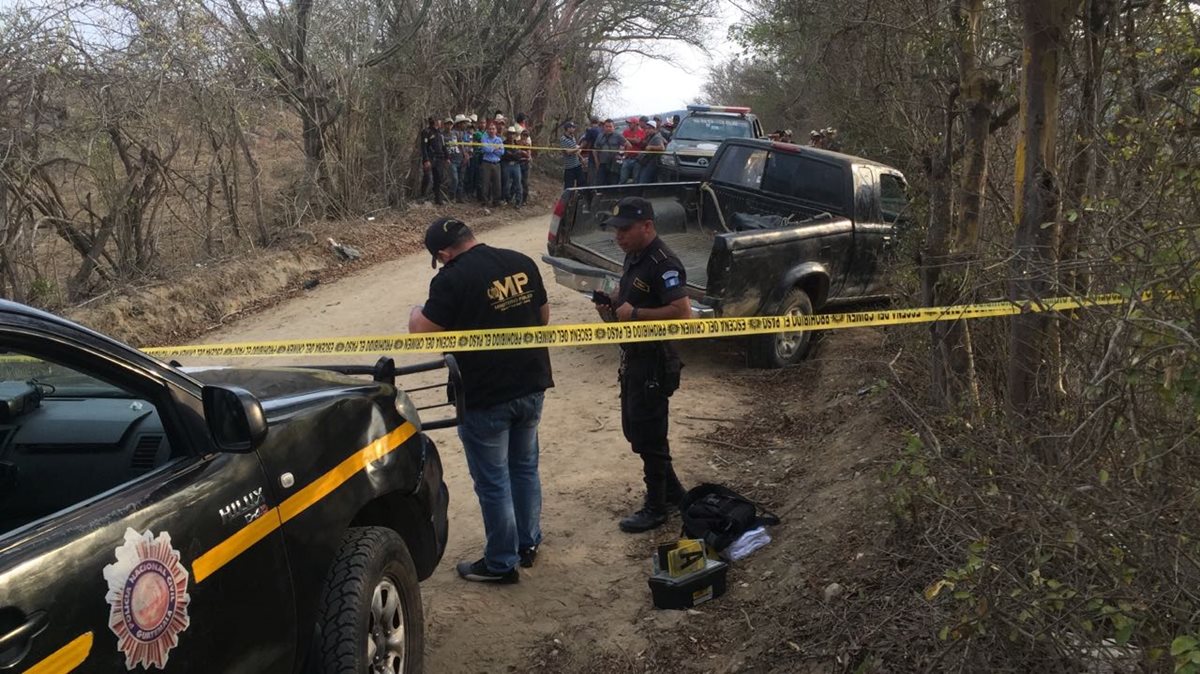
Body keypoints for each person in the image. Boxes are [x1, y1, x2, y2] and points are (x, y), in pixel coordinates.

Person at [410, 217, 553, 583]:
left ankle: (502, 563)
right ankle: (528, 543)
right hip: (531, 382)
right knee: (524, 468)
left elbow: (423, 332)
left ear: (443, 253)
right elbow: (543, 317)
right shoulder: (520, 261)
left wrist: (414, 314)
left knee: (493, 481)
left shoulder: (451, 278)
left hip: (484, 394)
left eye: (439, 258)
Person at [592, 197, 691, 533]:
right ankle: (674, 492)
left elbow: (682, 311)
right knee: (636, 431)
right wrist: (613, 303)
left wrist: (635, 314)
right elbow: (630, 297)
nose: (618, 236)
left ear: (647, 226)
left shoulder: (663, 262)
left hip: (654, 359)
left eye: (625, 229)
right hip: (634, 356)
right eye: (615, 230)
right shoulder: (635, 256)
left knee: (650, 433)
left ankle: (657, 505)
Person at [419, 116, 447, 204]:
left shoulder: (440, 133)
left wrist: (447, 157)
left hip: (439, 158)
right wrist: (426, 159)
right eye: (438, 120)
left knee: (438, 178)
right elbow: (424, 147)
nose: (439, 122)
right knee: (427, 177)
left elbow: (443, 146)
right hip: (430, 158)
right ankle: (423, 196)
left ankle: (438, 199)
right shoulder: (426, 132)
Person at [593, 119, 629, 186]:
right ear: (604, 127)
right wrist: (597, 162)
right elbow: (595, 150)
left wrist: (624, 157)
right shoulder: (600, 136)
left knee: (613, 183)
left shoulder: (618, 136)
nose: (608, 128)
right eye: (607, 126)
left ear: (613, 127)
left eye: (610, 126)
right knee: (600, 183)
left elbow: (628, 145)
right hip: (602, 163)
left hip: (614, 164)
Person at [480, 122, 504, 207]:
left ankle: (496, 201)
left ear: (496, 130)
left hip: (496, 163)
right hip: (486, 163)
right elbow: (486, 149)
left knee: (497, 183)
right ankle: (485, 201)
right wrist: (495, 147)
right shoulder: (484, 138)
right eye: (490, 129)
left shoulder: (499, 140)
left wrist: (492, 149)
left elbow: (502, 152)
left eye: (493, 129)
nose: (491, 130)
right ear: (487, 130)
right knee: (485, 183)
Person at [501, 126, 523, 207]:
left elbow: (519, 156)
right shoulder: (504, 144)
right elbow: (504, 155)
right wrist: (513, 154)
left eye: (513, 134)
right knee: (506, 183)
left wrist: (512, 154)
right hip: (506, 164)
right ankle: (506, 198)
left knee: (518, 183)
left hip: (516, 165)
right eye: (510, 134)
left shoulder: (518, 144)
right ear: (507, 135)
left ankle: (518, 201)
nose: (511, 135)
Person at [620, 116, 646, 184]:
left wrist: (627, 139)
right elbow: (622, 141)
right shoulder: (626, 131)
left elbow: (637, 141)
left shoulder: (641, 132)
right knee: (623, 178)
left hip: (637, 159)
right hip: (627, 158)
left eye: (630, 123)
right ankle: (620, 191)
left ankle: (635, 193)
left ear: (635, 124)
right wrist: (632, 139)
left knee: (636, 178)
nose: (628, 124)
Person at [559, 121, 584, 189]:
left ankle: (579, 197)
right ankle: (567, 199)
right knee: (569, 186)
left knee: (581, 182)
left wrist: (581, 158)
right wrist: (580, 147)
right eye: (572, 127)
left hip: (577, 164)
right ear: (568, 128)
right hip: (569, 167)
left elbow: (575, 149)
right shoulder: (563, 139)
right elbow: (568, 152)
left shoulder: (573, 137)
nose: (574, 129)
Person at [443, 117, 462, 203]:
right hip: (450, 159)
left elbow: (461, 145)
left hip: (459, 157)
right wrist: (445, 158)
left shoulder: (456, 134)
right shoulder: (441, 135)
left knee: (461, 179)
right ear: (445, 125)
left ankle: (460, 196)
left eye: (450, 124)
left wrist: (464, 155)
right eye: (447, 124)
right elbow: (441, 147)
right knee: (454, 178)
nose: (449, 126)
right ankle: (451, 196)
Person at [579, 116, 602, 185]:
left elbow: (585, 142)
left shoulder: (590, 130)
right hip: (600, 154)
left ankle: (591, 191)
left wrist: (578, 148)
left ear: (590, 122)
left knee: (591, 175)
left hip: (592, 155)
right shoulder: (601, 130)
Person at [518, 129, 533, 205]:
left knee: (525, 183)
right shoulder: (517, 143)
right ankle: (518, 199)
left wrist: (523, 153)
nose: (525, 137)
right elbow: (517, 153)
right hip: (519, 164)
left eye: (526, 136)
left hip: (526, 164)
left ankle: (524, 199)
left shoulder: (528, 144)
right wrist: (523, 153)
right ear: (521, 135)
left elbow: (529, 156)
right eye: (524, 135)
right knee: (518, 182)